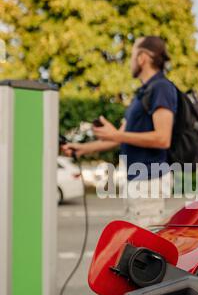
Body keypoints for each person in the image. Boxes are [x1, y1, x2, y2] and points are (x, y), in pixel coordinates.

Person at [63, 36, 177, 226]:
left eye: (133, 54)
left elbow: (163, 138)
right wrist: (82, 148)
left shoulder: (162, 87)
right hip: (137, 181)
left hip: (150, 180)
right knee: (137, 244)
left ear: (143, 58)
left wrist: (116, 134)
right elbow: (120, 138)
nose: (131, 61)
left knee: (144, 249)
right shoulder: (143, 93)